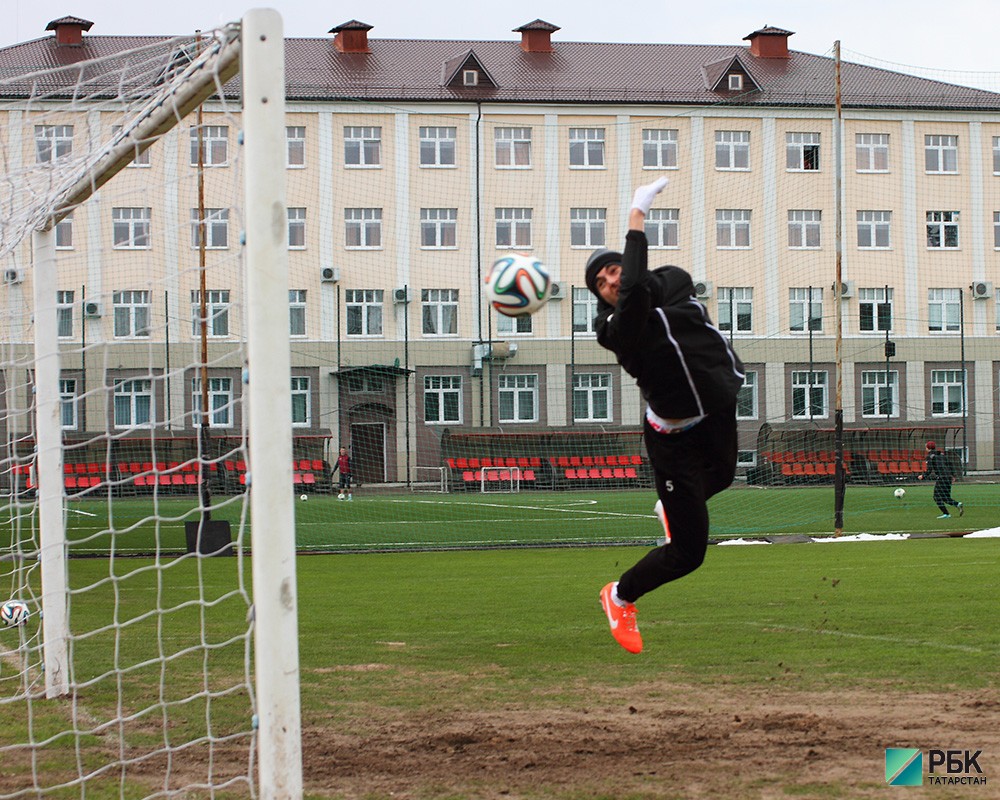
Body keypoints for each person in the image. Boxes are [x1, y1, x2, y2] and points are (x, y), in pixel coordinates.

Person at [588, 176, 745, 654]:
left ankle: (667, 506)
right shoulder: (614, 330)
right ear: (600, 298)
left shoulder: (671, 281)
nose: (611, 280)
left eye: (614, 270)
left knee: (723, 477)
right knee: (687, 554)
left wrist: (640, 274)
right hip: (672, 437)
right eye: (601, 282)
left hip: (716, 412)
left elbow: (656, 283)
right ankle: (618, 595)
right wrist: (638, 216)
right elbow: (638, 295)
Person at [918, 440, 962, 519]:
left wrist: (923, 476)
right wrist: (953, 475)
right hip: (948, 477)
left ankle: (946, 514)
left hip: (942, 477)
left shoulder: (930, 456)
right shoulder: (941, 454)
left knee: (936, 497)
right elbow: (950, 464)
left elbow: (929, 469)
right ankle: (957, 504)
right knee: (945, 497)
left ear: (928, 448)